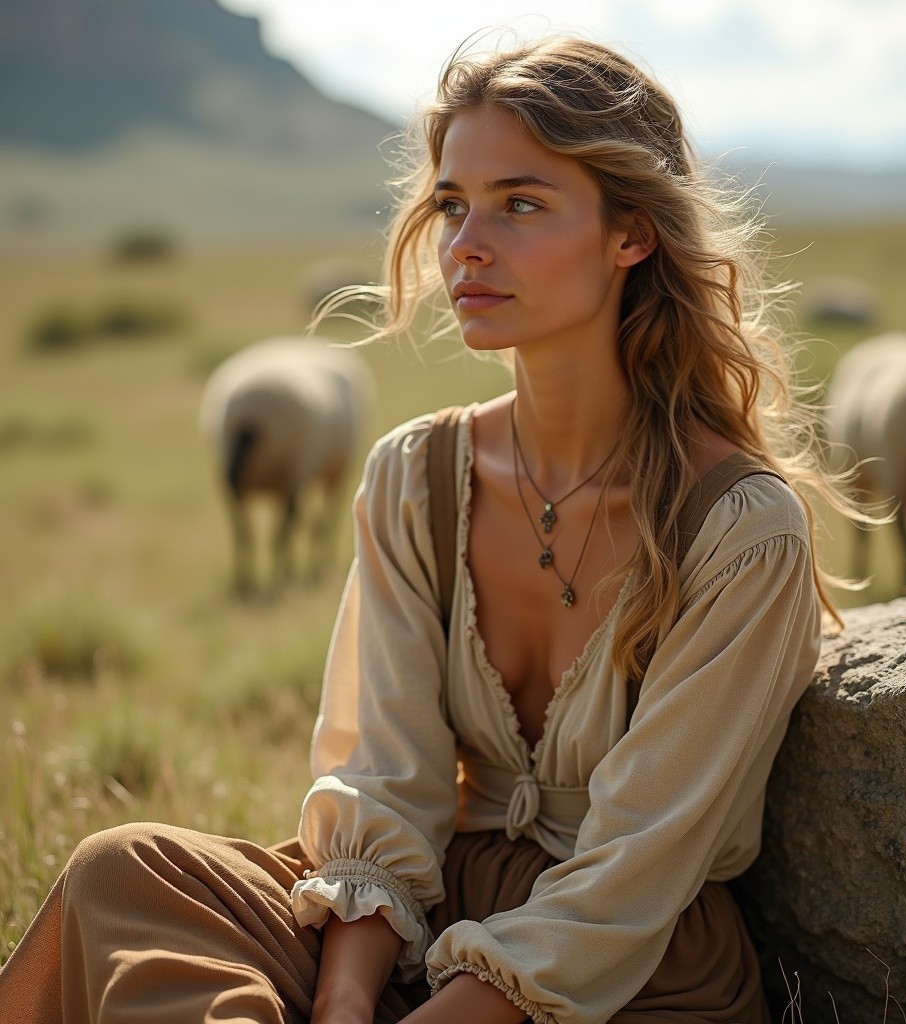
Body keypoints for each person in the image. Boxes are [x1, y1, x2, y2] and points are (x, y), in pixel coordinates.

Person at [0, 33, 854, 1024]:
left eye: (519, 204)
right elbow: (385, 784)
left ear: (631, 234)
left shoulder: (744, 530)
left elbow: (636, 870)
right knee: (123, 872)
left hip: (619, 971)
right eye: (453, 205)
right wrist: (346, 1002)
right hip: (422, 917)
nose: (465, 246)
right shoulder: (417, 475)